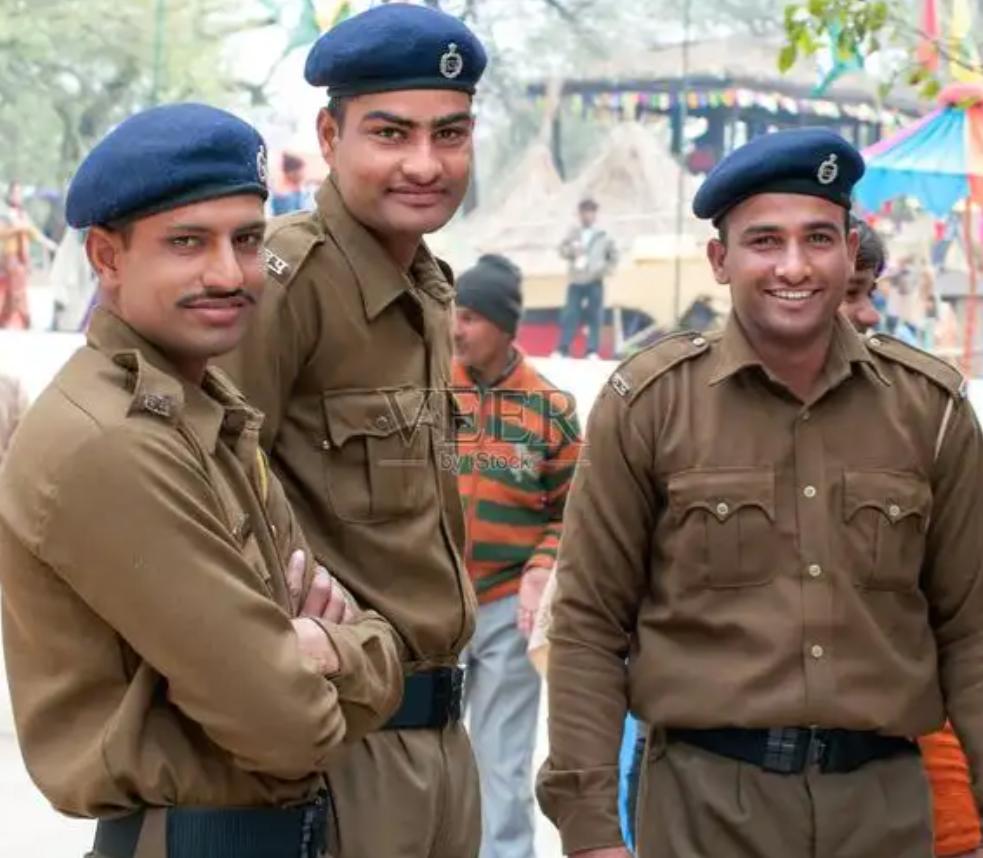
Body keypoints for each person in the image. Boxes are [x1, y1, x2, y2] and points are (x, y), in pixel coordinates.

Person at [536, 128, 983, 858]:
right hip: (704, 807)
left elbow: (970, 632)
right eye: (764, 242)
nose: (794, 267)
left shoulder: (928, 411)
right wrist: (589, 832)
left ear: (848, 250)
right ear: (719, 259)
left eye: (817, 239)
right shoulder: (648, 405)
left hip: (884, 810)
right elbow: (587, 625)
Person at [0, 103, 404, 858]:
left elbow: (383, 644)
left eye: (246, 240)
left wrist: (316, 646)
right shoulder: (110, 442)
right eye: (187, 243)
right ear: (108, 257)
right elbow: (291, 728)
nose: (228, 274)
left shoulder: (206, 408)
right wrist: (329, 641)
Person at [218, 5, 488, 856]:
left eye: (450, 134)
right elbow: (206, 491)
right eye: (390, 133)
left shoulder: (429, 289)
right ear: (329, 137)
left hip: (443, 736)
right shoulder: (281, 285)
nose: (424, 163)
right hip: (343, 742)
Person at [841, 218, 983, 858]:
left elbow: (960, 624)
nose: (867, 313)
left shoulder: (926, 415)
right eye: (853, 292)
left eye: (868, 290)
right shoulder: (689, 416)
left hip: (927, 775)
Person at [451, 254, 580, 858]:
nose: (457, 328)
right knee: (425, 759)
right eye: (455, 312)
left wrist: (538, 572)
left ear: (506, 327)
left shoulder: (551, 408)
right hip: (437, 608)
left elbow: (568, 513)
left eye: (472, 317)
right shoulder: (430, 392)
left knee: (500, 765)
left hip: (507, 610)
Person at [554, 198, 618, 359]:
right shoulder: (573, 233)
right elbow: (561, 250)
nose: (587, 216)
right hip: (576, 279)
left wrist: (604, 270)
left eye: (590, 212)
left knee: (595, 316)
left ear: (595, 215)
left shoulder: (603, 235)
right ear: (580, 214)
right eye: (584, 212)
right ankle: (563, 348)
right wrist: (571, 253)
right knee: (570, 313)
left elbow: (614, 256)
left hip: (595, 280)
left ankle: (592, 350)